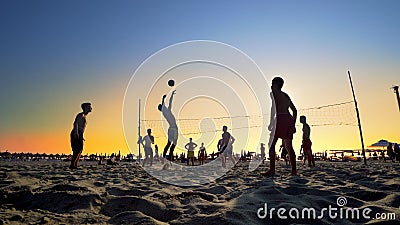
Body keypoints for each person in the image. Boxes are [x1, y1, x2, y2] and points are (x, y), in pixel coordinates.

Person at [264, 77, 297, 176]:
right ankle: (294, 171)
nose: (270, 86)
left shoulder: (273, 93)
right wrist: (292, 124)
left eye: (272, 84)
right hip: (288, 119)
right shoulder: (286, 95)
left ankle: (272, 170)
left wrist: (270, 122)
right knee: (289, 147)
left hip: (280, 118)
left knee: (271, 144)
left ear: (275, 85)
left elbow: (273, 108)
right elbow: (294, 111)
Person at [70, 102, 92, 170]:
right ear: (85, 108)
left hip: (80, 133)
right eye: (89, 107)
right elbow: (75, 123)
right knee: (76, 149)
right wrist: (76, 133)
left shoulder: (85, 116)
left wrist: (81, 136)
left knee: (80, 149)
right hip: (76, 132)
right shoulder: (81, 115)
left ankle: (75, 165)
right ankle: (72, 165)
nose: (91, 108)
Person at [158, 90, 178, 162]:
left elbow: (169, 103)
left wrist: (171, 95)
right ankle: (167, 157)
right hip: (173, 128)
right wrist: (163, 99)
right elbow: (167, 103)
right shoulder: (165, 111)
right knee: (172, 144)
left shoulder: (166, 111)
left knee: (171, 144)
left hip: (172, 129)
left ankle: (168, 157)